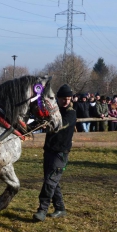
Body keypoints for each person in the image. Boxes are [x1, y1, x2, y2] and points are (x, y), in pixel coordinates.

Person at [33, 84, 76, 222]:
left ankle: (42, 210)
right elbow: (42, 120)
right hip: (49, 150)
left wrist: (50, 122)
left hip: (61, 153)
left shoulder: (71, 113)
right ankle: (60, 208)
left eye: (69, 98)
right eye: (64, 98)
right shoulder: (52, 111)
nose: (66, 101)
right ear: (58, 98)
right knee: (52, 181)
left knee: (50, 181)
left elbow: (62, 124)